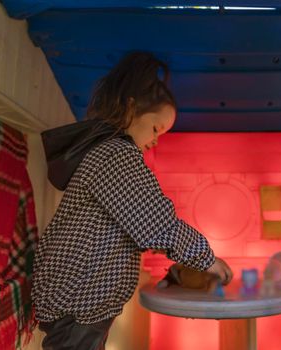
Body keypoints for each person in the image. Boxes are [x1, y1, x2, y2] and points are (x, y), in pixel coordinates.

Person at [32, 52, 233, 350]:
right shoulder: (116, 154)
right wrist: (207, 259)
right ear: (130, 108)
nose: (155, 140)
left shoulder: (109, 153)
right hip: (79, 298)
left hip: (81, 299)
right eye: (155, 128)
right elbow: (157, 224)